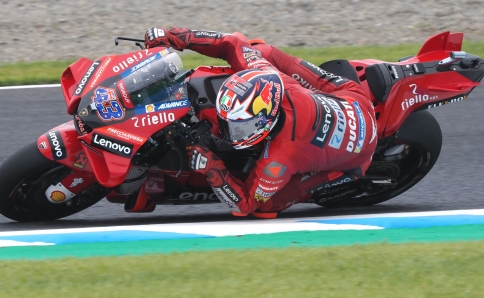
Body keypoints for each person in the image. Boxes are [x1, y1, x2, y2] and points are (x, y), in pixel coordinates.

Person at [144, 27, 378, 218]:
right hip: (352, 96)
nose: (229, 133)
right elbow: (233, 43)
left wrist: (214, 169)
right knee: (259, 50)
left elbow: (243, 206)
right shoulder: (272, 80)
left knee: (266, 208)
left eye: (238, 126)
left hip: (358, 158)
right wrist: (174, 36)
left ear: (265, 121)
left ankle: (343, 176)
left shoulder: (279, 160)